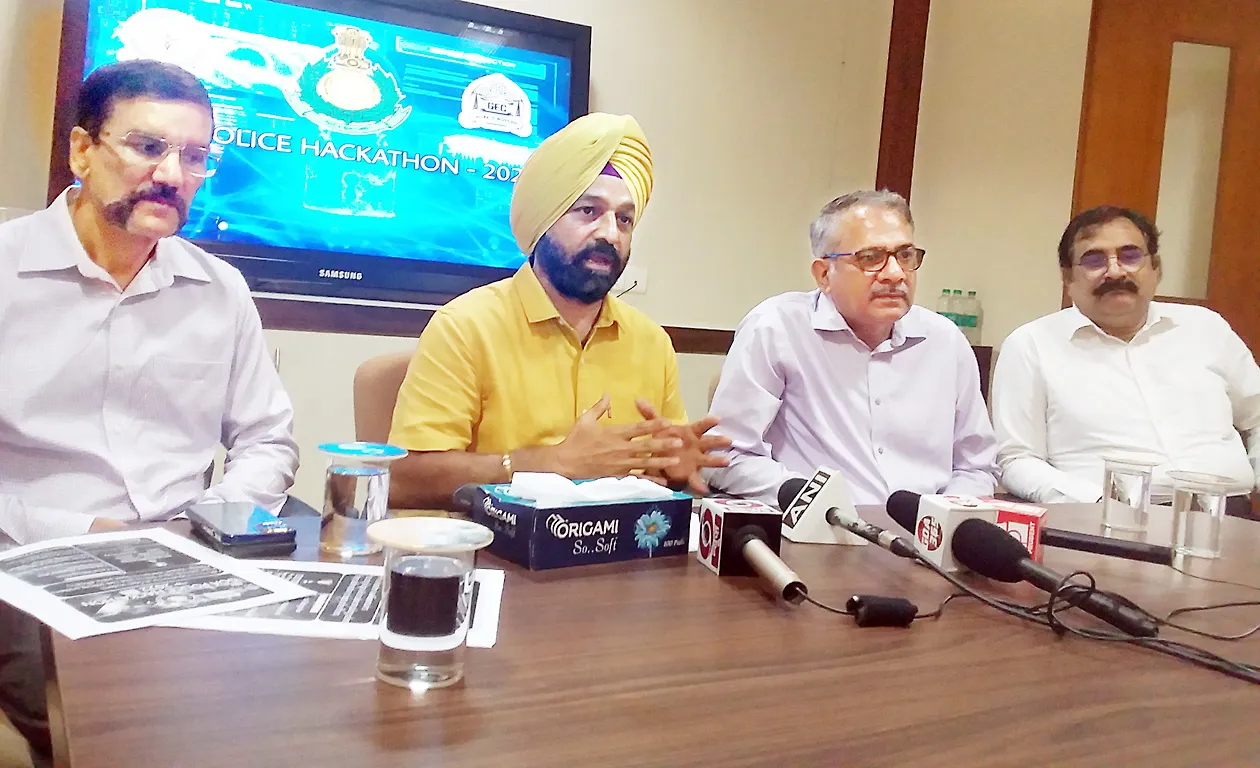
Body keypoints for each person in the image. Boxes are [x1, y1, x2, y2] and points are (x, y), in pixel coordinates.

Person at [0, 60, 299, 763]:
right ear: (82, 151)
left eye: (194, 157)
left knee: (293, 696)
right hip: (26, 564)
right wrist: (83, 532)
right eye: (147, 147)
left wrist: (211, 520)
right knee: (119, 724)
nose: (171, 174)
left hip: (189, 558)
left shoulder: (220, 289)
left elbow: (268, 440)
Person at [387, 113, 729, 509]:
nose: (610, 233)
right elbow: (405, 480)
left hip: (615, 545)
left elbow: (660, 472)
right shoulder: (465, 327)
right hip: (494, 544)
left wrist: (675, 471)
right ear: (545, 218)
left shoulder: (652, 343)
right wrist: (552, 464)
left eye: (624, 219)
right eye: (588, 211)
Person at [704, 190, 997, 506]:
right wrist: (811, 502)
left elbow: (975, 466)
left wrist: (940, 519)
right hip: (815, 529)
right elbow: (725, 456)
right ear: (824, 274)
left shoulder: (946, 341)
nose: (895, 274)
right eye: (870, 258)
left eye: (905, 255)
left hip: (925, 529)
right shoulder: (777, 329)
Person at [992, 205, 1260, 512]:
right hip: (1104, 519)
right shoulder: (1031, 345)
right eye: (1094, 260)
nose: (1115, 271)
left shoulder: (1205, 327)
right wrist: (1094, 502)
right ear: (1068, 277)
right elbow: (1016, 459)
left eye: (1130, 256)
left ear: (1156, 267)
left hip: (1230, 515)